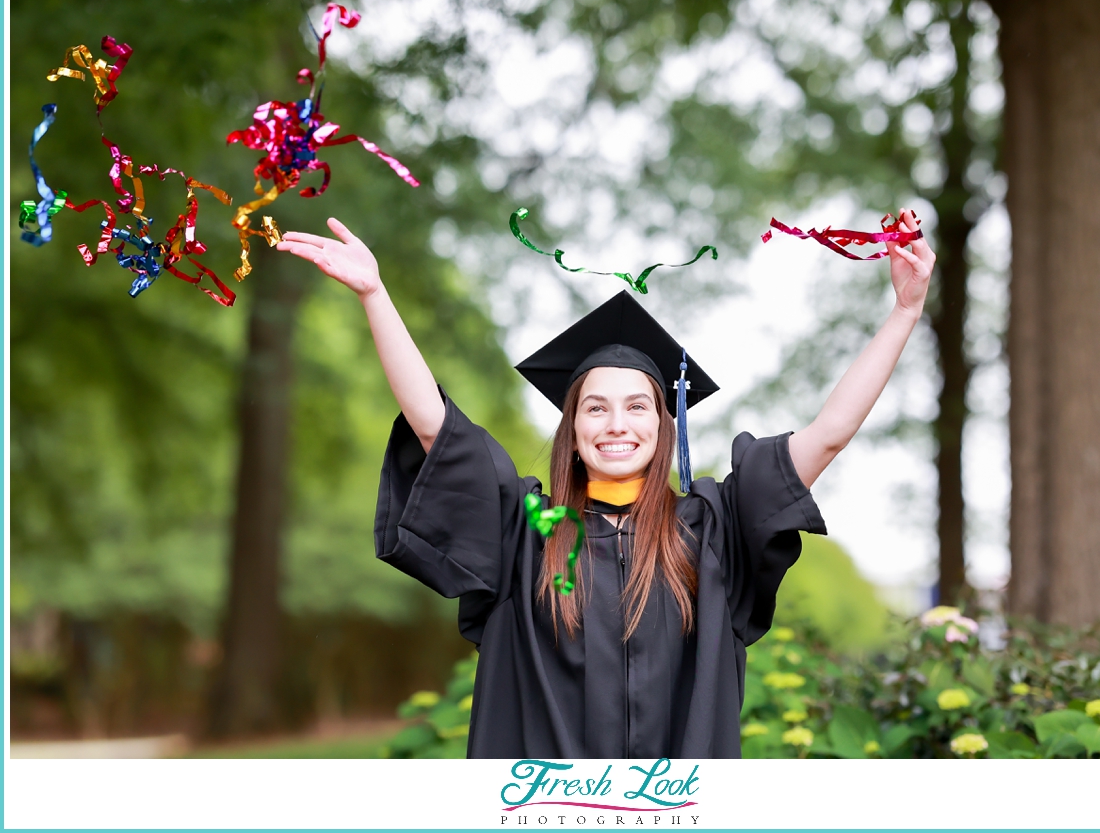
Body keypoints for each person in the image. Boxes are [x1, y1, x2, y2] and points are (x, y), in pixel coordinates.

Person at [277, 213, 936, 760]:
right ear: (573, 426)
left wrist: (905, 312)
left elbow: (827, 434)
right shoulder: (524, 531)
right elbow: (434, 426)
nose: (616, 424)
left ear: (663, 421)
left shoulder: (714, 529)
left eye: (636, 406)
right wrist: (375, 296)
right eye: (595, 407)